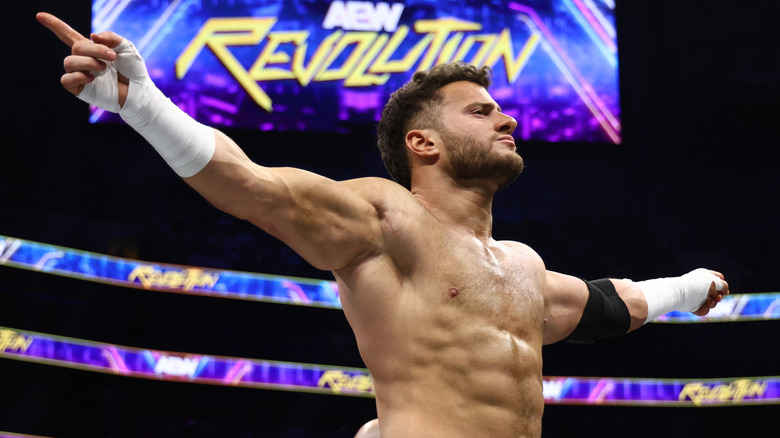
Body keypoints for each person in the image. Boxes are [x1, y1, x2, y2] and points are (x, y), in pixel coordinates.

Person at [37, 12, 728, 438]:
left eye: (501, 109)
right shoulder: (386, 219)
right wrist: (144, 105)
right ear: (423, 144)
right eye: (481, 112)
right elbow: (253, 187)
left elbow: (613, 306)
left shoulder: (522, 267)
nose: (509, 118)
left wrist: (691, 285)